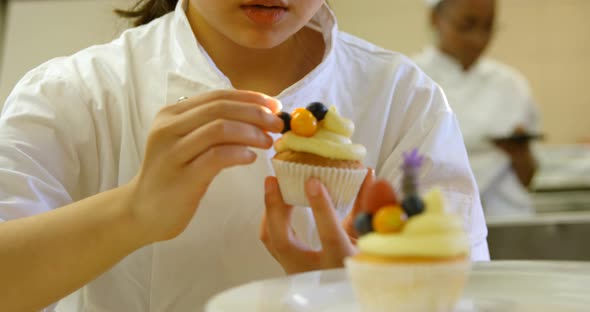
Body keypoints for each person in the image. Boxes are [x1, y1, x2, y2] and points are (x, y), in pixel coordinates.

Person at [0, 0, 489, 311]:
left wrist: (360, 297)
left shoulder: (403, 100)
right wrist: (134, 212)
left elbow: (468, 295)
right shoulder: (74, 93)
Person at [414, 0, 541, 217]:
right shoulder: (413, 79)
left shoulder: (511, 84)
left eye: (488, 26)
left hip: (507, 218)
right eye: (466, 25)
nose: (478, 39)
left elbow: (528, 177)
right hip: (436, 222)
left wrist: (520, 153)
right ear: (435, 19)